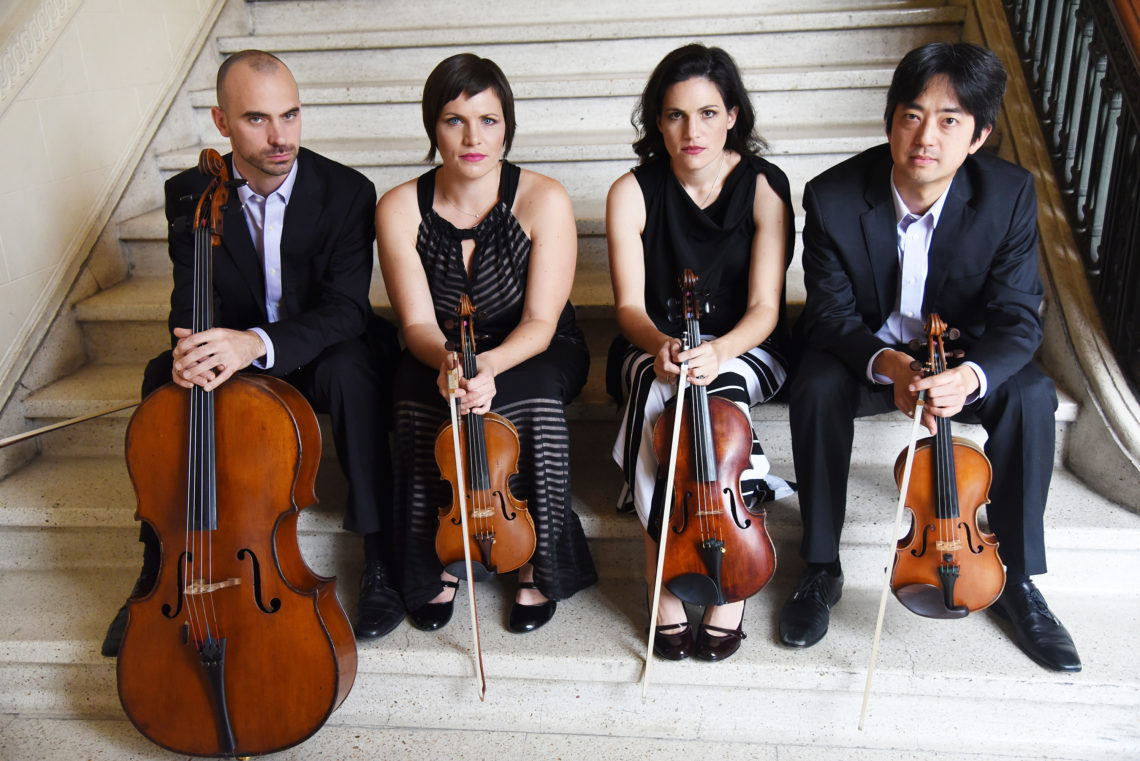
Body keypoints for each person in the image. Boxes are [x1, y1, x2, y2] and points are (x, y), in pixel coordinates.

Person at [783, 41, 1081, 672]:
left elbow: (1019, 319)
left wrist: (968, 378)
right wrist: (890, 366)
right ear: (890, 119)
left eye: (950, 120)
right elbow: (829, 317)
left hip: (962, 354)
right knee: (814, 384)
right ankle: (819, 567)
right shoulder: (833, 197)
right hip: (872, 352)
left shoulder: (1007, 195)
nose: (926, 135)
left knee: (1030, 394)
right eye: (912, 114)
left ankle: (1018, 581)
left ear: (979, 137)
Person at [101, 50, 403, 657]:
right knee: (164, 376)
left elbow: (345, 309)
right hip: (234, 349)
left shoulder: (346, 191)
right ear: (221, 121)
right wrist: (191, 347)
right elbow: (190, 298)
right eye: (257, 120)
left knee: (353, 370)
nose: (279, 136)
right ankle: (158, 562)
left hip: (318, 348)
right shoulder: (190, 195)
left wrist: (255, 344)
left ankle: (381, 555)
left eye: (290, 116)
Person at [376, 53, 596, 634]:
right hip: (442, 349)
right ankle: (436, 563)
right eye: (454, 120)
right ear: (433, 127)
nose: (473, 137)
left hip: (534, 346)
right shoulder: (399, 207)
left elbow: (543, 321)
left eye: (489, 120)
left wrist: (490, 366)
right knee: (413, 397)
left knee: (531, 400)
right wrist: (449, 363)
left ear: (508, 126)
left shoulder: (543, 199)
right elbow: (417, 324)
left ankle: (537, 565)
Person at [606, 44, 794, 662]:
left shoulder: (765, 187)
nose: (693, 132)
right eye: (676, 115)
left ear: (733, 116)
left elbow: (766, 309)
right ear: (657, 122)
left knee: (717, 386)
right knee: (655, 388)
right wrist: (663, 347)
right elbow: (630, 308)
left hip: (746, 347)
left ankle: (729, 589)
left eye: (708, 114)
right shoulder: (632, 192)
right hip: (652, 346)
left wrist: (718, 351)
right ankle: (661, 570)